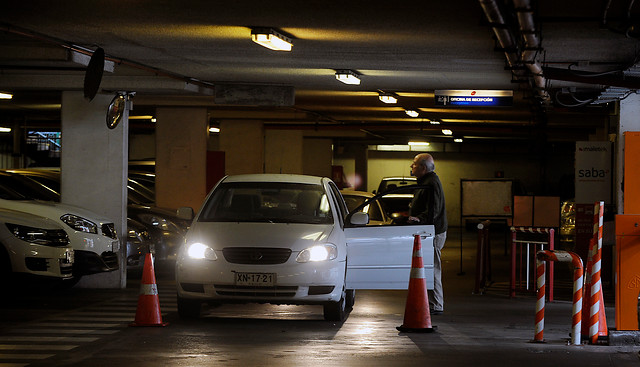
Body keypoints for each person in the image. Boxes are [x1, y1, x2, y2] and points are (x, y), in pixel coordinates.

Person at [408, 153, 447, 315]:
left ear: (423, 168)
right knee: (430, 267)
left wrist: (420, 218)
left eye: (414, 164)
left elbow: (434, 209)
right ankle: (431, 303)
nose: (411, 167)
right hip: (429, 230)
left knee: (433, 267)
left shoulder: (431, 183)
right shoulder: (426, 182)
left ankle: (436, 304)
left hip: (433, 232)